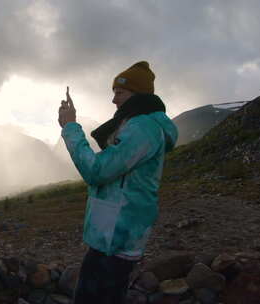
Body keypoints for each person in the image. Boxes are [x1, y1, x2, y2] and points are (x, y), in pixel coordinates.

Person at [58, 61, 178, 303]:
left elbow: (97, 170)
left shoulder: (143, 128)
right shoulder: (134, 124)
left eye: (120, 93)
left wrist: (70, 126)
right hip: (111, 235)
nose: (114, 100)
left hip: (117, 238)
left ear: (138, 94)